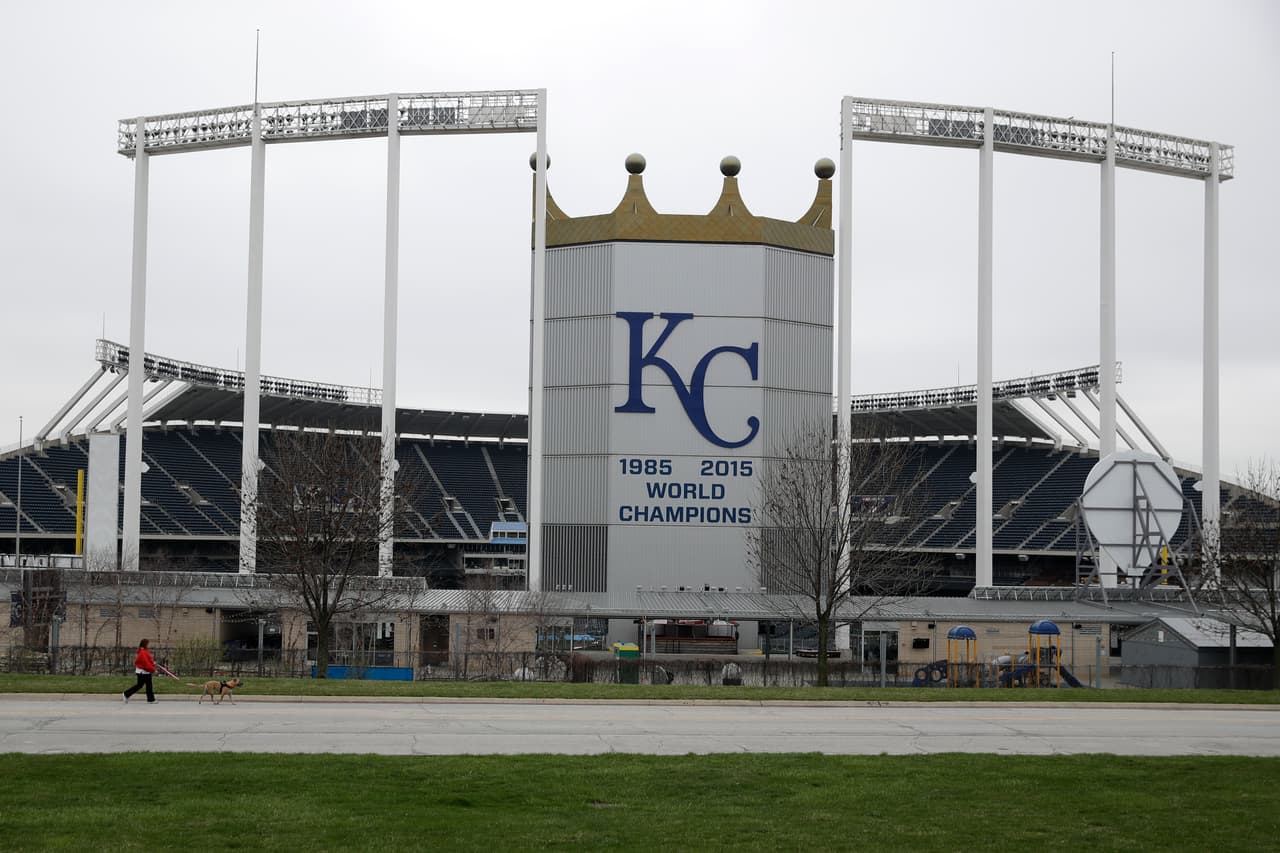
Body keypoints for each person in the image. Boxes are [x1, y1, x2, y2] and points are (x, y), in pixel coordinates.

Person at [123, 638, 158, 704]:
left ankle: (126, 694)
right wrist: (153, 670)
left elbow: (149, 660)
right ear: (145, 644)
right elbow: (145, 663)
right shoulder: (142, 652)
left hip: (144, 671)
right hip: (143, 672)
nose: (149, 645)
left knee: (143, 685)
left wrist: (153, 663)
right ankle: (126, 694)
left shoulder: (144, 651)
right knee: (146, 685)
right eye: (148, 644)